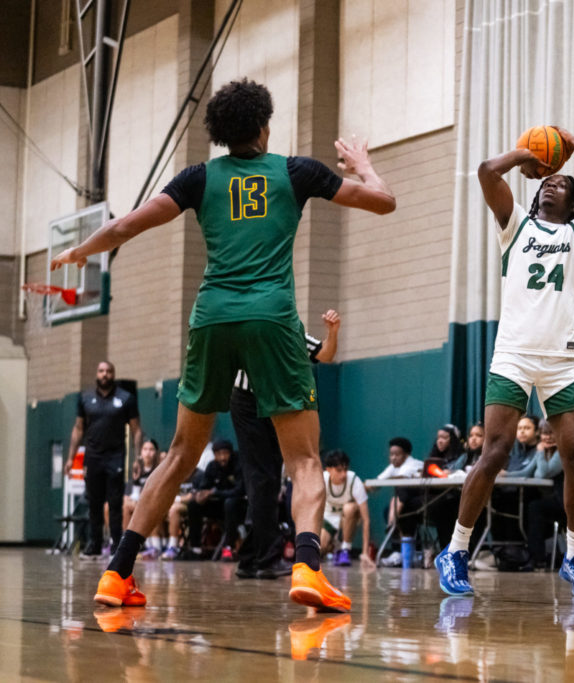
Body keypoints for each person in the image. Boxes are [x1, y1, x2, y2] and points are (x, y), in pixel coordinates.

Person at [52, 78, 395, 611]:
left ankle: (116, 574)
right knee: (304, 459)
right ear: (264, 125)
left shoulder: (197, 179)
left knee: (181, 453)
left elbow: (123, 226)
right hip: (271, 318)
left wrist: (81, 251)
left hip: (211, 318)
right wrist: (362, 164)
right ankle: (306, 566)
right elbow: (385, 203)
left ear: (219, 134)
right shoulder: (295, 171)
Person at [435, 127, 574, 598]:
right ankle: (455, 551)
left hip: (561, 360)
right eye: (547, 182)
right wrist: (527, 154)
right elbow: (488, 171)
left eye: (561, 185)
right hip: (512, 354)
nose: (551, 185)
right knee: (494, 452)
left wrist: (570, 144)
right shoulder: (514, 226)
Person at [231, 308, 339, 580]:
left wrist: (332, 332)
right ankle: (266, 557)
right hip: (248, 400)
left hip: (277, 401)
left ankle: (249, 557)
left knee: (267, 480)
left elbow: (325, 354)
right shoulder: (249, 327)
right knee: (262, 478)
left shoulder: (291, 330)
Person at [64, 361, 144, 558]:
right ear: (96, 374)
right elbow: (78, 428)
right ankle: (95, 545)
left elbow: (137, 430)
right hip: (93, 457)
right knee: (94, 503)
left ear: (113, 374)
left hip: (115, 457)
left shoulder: (126, 399)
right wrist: (70, 457)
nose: (105, 374)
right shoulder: (85, 398)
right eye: (101, 371)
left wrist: (138, 458)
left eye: (108, 371)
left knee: (115, 504)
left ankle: (117, 546)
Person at [185, 439, 246, 561]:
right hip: (219, 507)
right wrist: (200, 495)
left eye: (225, 453)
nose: (222, 457)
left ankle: (229, 548)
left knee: (230, 503)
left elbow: (240, 490)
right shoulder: (212, 466)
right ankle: (195, 548)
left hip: (238, 508)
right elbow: (204, 487)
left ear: (230, 453)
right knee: (193, 505)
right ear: (214, 455)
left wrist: (215, 492)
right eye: (219, 454)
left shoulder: (239, 465)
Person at [373, 436, 425, 565]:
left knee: (402, 507)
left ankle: (393, 525)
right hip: (406, 504)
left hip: (422, 503)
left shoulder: (413, 464)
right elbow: (378, 482)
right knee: (389, 510)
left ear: (406, 455)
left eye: (397, 454)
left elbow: (401, 479)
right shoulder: (393, 467)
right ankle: (398, 550)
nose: (393, 458)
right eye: (391, 454)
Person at [320, 450, 374, 569]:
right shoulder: (321, 480)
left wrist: (364, 552)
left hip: (347, 518)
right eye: (339, 470)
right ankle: (332, 547)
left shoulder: (354, 480)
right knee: (320, 549)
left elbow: (366, 520)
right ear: (328, 470)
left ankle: (345, 549)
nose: (343, 474)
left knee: (349, 507)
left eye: (345, 470)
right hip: (328, 517)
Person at [524, 421, 565, 567]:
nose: (547, 437)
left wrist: (540, 453)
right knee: (526, 503)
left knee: (535, 507)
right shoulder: (543, 452)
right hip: (550, 500)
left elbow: (544, 473)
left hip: (565, 504)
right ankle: (526, 553)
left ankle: (537, 558)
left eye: (551, 433)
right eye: (544, 433)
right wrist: (503, 475)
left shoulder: (562, 452)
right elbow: (526, 472)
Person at [123, 439, 161, 559]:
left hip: (155, 503)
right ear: (141, 452)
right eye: (145, 449)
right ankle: (126, 543)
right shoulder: (137, 469)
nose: (148, 453)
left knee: (151, 509)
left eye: (151, 449)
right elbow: (132, 494)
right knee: (125, 507)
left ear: (156, 452)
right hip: (139, 503)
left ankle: (155, 547)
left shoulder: (160, 469)